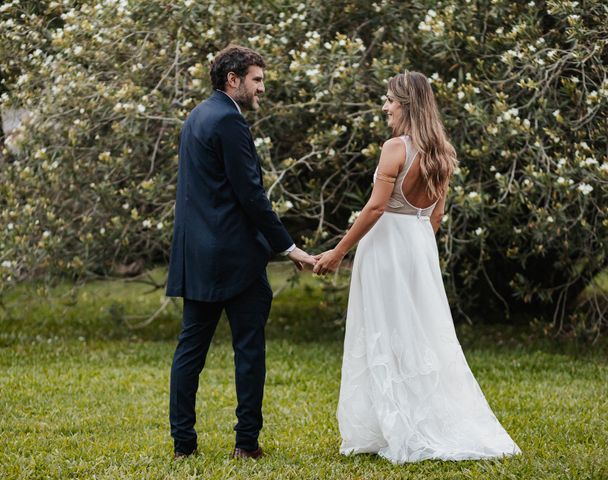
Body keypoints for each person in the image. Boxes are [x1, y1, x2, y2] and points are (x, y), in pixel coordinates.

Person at [313, 71, 521, 463]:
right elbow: (435, 216)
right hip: (418, 246)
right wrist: (418, 248)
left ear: (406, 104)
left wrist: (338, 251)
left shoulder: (395, 148)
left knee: (384, 331)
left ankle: (398, 426)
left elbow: (376, 207)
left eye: (390, 100)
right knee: (420, 331)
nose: (386, 107)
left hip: (386, 249)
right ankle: (411, 417)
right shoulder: (442, 152)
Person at [166, 45, 315, 460]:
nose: (261, 89)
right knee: (248, 351)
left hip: (197, 256)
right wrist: (290, 247)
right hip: (235, 259)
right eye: (257, 80)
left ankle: (184, 447)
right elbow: (250, 195)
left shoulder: (197, 116)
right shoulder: (230, 121)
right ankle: (246, 446)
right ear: (233, 79)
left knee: (189, 352)